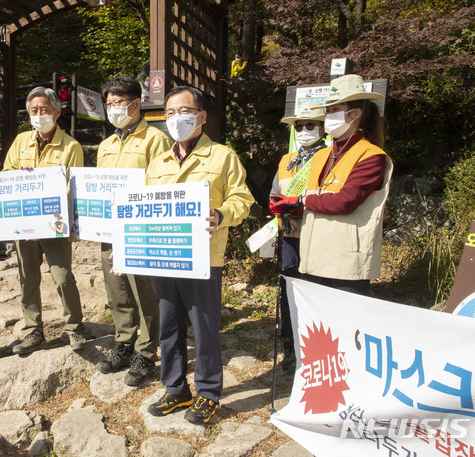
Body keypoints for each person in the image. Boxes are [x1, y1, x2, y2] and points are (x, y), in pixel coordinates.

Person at [145, 86, 254, 424]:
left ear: (202, 116)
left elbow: (243, 200)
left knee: (204, 329)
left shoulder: (223, 157)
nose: (177, 118)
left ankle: (208, 392)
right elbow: (142, 211)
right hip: (164, 256)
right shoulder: (158, 161)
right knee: (169, 327)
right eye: (170, 113)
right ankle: (175, 389)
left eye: (184, 111)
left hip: (204, 258)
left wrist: (221, 214)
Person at [270, 74, 393, 296]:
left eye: (334, 110)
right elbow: (313, 196)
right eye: (327, 111)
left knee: (345, 326)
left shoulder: (371, 155)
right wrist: (286, 210)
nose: (328, 116)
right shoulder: (321, 155)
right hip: (314, 255)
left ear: (355, 113)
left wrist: (301, 201)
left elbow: (345, 201)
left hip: (346, 261)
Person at [96, 76, 172, 386]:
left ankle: (146, 351)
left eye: (119, 103)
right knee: (117, 291)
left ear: (136, 104)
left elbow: (164, 183)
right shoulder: (105, 144)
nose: (113, 109)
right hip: (107, 229)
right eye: (109, 104)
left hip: (140, 227)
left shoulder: (156, 140)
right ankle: (124, 342)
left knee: (145, 294)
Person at [3, 86, 86, 354]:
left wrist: (75, 222)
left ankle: (74, 327)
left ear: (58, 112)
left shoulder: (71, 146)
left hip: (55, 223)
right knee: (27, 277)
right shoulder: (20, 142)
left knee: (62, 277)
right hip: (24, 223)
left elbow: (76, 187)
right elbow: (6, 177)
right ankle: (32, 330)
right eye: (34, 110)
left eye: (45, 109)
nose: (39, 114)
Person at [268, 101, 326, 371]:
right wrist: (278, 204)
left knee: (317, 290)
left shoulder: (329, 157)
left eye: (310, 125)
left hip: (318, 234)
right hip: (289, 234)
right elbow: (273, 193)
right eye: (299, 126)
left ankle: (317, 346)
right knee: (289, 288)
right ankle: (290, 344)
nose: (303, 130)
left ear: (323, 128)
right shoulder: (286, 161)